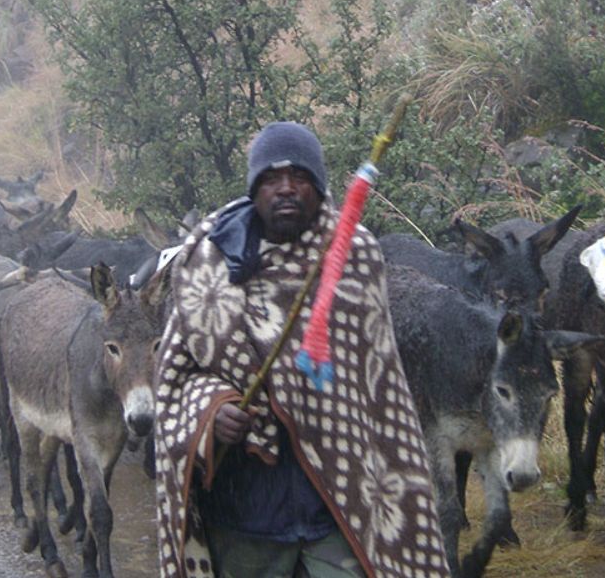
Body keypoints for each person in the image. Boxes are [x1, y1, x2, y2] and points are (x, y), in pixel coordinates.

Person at [153, 121, 449, 578]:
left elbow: (377, 384)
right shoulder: (207, 263)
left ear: (320, 186)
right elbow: (176, 378)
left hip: (338, 504)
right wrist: (212, 411)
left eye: (300, 177)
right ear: (254, 188)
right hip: (245, 511)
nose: (286, 189)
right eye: (271, 178)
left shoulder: (354, 255)